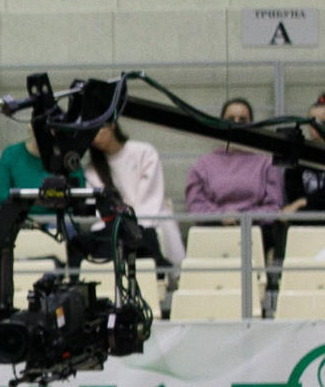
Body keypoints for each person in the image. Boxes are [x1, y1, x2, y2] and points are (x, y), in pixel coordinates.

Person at [88, 121, 183, 267]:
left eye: (98, 129)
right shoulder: (91, 169)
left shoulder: (144, 152)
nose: (94, 136)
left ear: (112, 125)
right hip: (114, 222)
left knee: (160, 225)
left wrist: (132, 218)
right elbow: (98, 207)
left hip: (150, 213)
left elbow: (151, 195)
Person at [185, 98, 285, 229]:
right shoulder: (202, 165)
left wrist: (244, 218)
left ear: (252, 125)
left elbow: (274, 206)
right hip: (213, 230)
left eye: (242, 120)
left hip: (256, 230)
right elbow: (195, 205)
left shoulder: (266, 163)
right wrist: (221, 216)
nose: (236, 124)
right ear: (220, 124)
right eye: (230, 119)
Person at [0, 126, 84, 210]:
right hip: (22, 220)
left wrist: (28, 199)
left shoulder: (67, 157)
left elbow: (79, 195)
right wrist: (45, 198)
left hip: (60, 220)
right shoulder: (11, 154)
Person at [279, 95, 325, 221]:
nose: (318, 128)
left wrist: (305, 201)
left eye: (323, 122)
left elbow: (299, 203)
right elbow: (293, 198)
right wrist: (302, 203)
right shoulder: (298, 155)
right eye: (313, 123)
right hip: (306, 222)